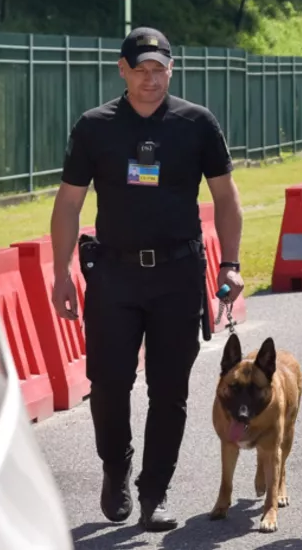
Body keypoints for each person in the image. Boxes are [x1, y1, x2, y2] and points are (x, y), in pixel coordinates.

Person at [49, 26, 246, 532]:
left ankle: (154, 492)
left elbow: (225, 197)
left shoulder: (196, 123)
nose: (151, 79)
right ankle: (116, 466)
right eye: (141, 69)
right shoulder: (95, 127)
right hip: (113, 275)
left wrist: (231, 263)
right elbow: (69, 203)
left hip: (178, 275)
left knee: (170, 389)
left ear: (171, 70)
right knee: (109, 385)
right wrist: (61, 272)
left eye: (160, 69)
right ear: (123, 70)